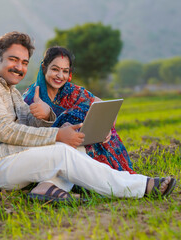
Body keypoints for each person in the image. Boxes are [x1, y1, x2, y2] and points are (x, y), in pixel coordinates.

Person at [0, 31, 176, 202]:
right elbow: (6, 131)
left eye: (24, 62)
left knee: (73, 148)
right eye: (13, 59)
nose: (19, 67)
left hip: (9, 158)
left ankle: (48, 188)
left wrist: (46, 114)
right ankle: (139, 186)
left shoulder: (11, 92)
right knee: (62, 152)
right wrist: (58, 136)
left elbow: (29, 126)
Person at [23, 46, 135, 174]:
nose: (60, 76)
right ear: (44, 68)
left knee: (94, 119)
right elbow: (28, 135)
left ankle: (112, 171)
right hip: (51, 151)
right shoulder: (31, 98)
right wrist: (58, 129)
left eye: (65, 71)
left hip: (77, 144)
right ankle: (94, 174)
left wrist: (106, 127)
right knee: (72, 116)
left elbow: (101, 105)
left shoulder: (70, 90)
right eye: (55, 69)